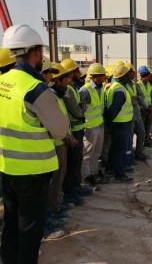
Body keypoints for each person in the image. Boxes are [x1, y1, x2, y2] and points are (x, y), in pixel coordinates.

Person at [0, 24, 69, 264]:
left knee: (11, 223)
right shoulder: (35, 88)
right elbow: (60, 130)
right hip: (33, 171)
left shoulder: (2, 82)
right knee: (30, 229)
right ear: (36, 52)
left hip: (6, 167)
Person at [46, 63, 75, 239]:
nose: (68, 83)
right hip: (56, 144)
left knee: (59, 179)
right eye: (65, 80)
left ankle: (56, 207)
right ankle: (52, 213)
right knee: (54, 181)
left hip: (61, 142)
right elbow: (53, 124)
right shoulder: (49, 97)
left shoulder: (57, 96)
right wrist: (66, 137)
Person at [61, 58, 90, 206]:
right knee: (73, 164)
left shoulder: (72, 88)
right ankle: (71, 192)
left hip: (78, 129)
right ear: (71, 73)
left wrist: (81, 106)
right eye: (76, 71)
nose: (79, 73)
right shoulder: (68, 90)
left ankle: (76, 188)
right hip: (75, 130)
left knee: (77, 162)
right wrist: (83, 107)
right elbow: (78, 112)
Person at [79, 63, 107, 188]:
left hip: (99, 126)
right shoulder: (85, 91)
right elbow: (80, 112)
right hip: (90, 128)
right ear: (95, 76)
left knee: (97, 153)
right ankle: (86, 178)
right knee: (87, 154)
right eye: (102, 75)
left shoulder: (101, 88)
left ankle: (94, 174)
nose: (105, 77)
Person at [105, 65, 134, 183]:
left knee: (114, 148)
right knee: (120, 150)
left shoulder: (114, 87)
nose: (129, 76)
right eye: (127, 75)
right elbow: (114, 109)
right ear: (122, 77)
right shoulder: (120, 90)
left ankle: (110, 169)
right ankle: (120, 175)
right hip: (120, 124)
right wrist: (109, 122)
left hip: (118, 124)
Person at [125, 63, 147, 162]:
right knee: (129, 137)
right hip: (128, 114)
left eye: (134, 72)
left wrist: (147, 107)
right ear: (127, 73)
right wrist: (134, 99)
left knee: (142, 132)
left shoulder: (134, 84)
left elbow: (140, 96)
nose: (134, 74)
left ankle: (139, 152)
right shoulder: (123, 85)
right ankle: (129, 158)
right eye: (132, 72)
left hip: (136, 113)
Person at [138, 66, 152, 147]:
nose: (150, 77)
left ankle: (147, 141)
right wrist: (147, 107)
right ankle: (141, 144)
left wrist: (151, 105)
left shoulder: (149, 84)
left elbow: (151, 96)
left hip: (149, 109)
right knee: (142, 129)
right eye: (149, 76)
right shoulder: (138, 85)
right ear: (145, 75)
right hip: (142, 110)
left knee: (148, 127)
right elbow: (140, 98)